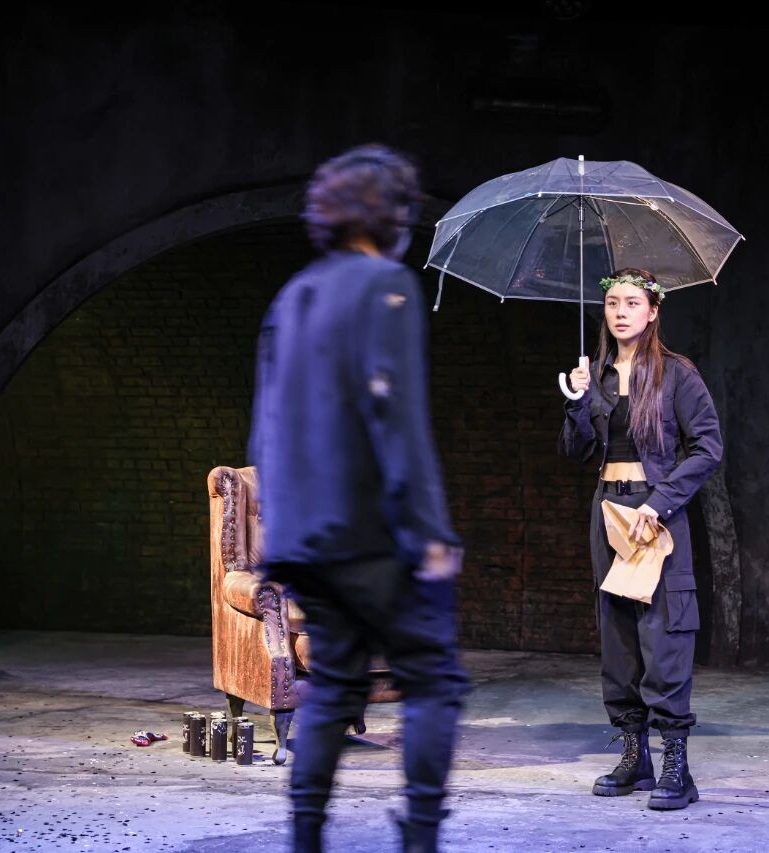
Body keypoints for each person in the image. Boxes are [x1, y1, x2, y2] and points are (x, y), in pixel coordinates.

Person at [248, 144, 468, 853]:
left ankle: (305, 838)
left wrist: (280, 538)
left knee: (335, 686)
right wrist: (431, 531)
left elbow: (266, 428)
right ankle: (421, 837)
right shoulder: (386, 286)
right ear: (387, 213)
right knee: (434, 680)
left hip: (306, 539)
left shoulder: (293, 295)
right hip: (372, 533)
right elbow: (396, 416)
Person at [558, 268, 722, 811]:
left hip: (655, 515)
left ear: (653, 312)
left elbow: (708, 449)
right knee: (618, 634)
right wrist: (576, 402)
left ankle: (677, 765)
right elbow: (577, 453)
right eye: (612, 304)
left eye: (632, 303)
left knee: (664, 634)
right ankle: (635, 755)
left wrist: (659, 503)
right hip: (607, 511)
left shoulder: (677, 374)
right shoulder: (595, 376)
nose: (620, 312)